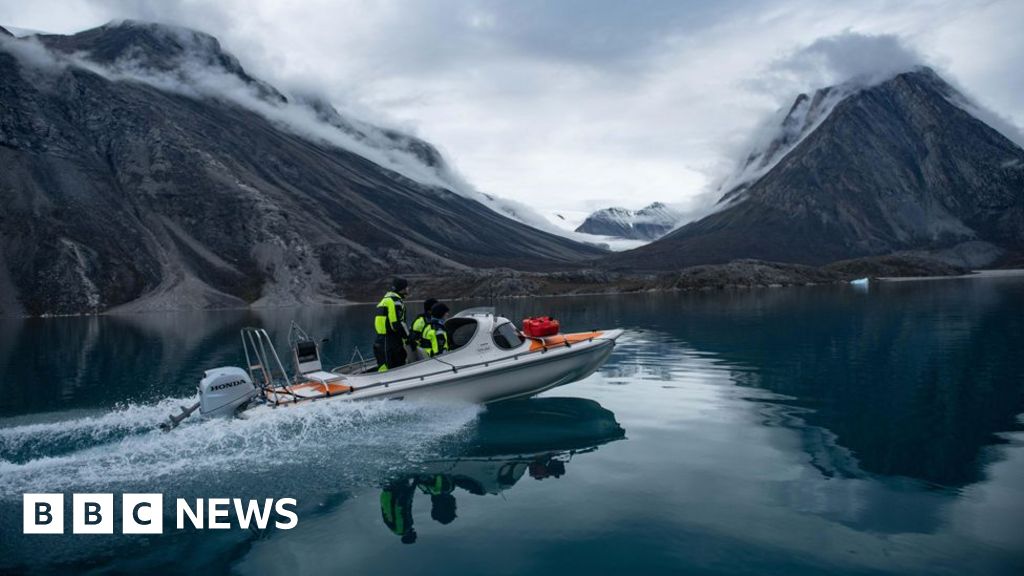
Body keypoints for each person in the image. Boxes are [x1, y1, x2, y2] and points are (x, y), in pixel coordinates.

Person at [373, 277, 410, 372]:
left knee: (384, 366)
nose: (408, 289)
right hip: (391, 341)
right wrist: (408, 338)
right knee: (397, 367)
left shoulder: (386, 299)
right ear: (402, 288)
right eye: (407, 287)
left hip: (382, 340)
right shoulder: (395, 302)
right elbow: (396, 324)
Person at [380, 478, 417, 544]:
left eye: (414, 535)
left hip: (395, 495)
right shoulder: (394, 530)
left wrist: (413, 486)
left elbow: (401, 510)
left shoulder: (405, 527)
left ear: (410, 536)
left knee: (401, 475)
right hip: (387, 496)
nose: (415, 532)